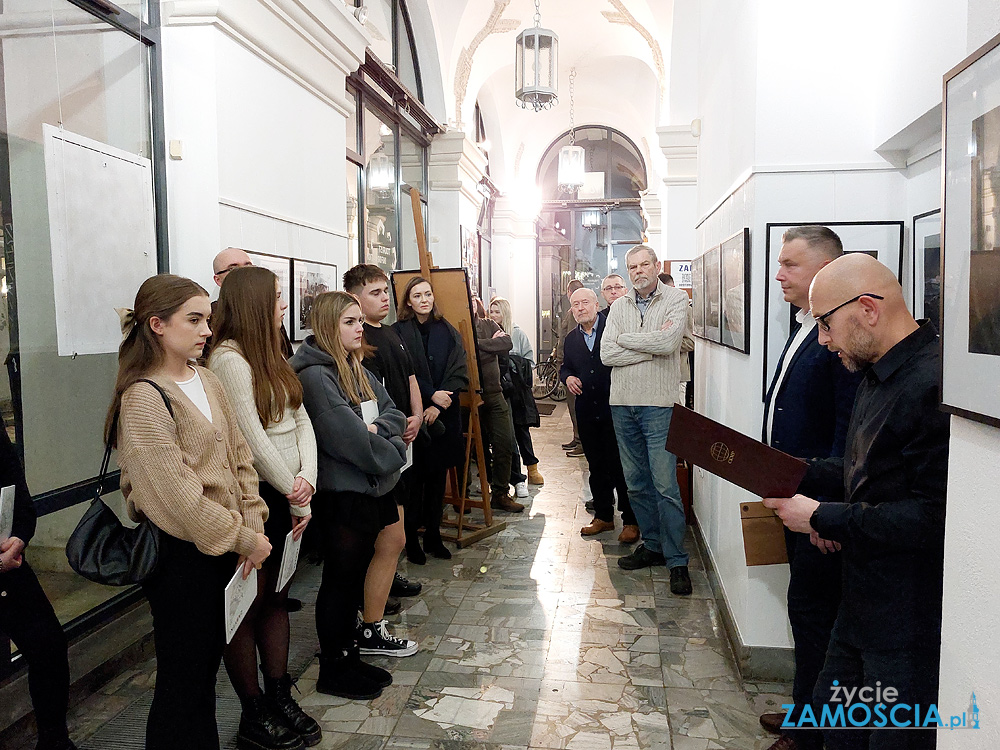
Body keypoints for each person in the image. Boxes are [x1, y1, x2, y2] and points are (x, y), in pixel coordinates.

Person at [764, 254, 950, 750]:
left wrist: (823, 515)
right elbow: (863, 471)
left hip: (905, 621)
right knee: (835, 733)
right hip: (859, 603)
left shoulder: (933, 384)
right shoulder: (874, 372)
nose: (822, 340)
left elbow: (935, 518)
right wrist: (793, 471)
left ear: (867, 309)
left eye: (825, 323)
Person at [110, 274, 272, 750]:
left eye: (208, 319)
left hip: (224, 550)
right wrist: (245, 539)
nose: (206, 330)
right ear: (157, 325)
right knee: (181, 685)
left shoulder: (207, 378)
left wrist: (254, 521)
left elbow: (240, 457)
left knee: (203, 682)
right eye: (194, 320)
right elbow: (176, 499)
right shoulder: (143, 397)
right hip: (182, 560)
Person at [206, 267, 322, 749]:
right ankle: (253, 711)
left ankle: (279, 694)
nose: (283, 305)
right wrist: (290, 488)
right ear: (254, 304)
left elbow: (301, 419)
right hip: (259, 496)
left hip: (292, 491)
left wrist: (308, 480)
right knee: (248, 607)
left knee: (277, 598)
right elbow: (249, 438)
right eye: (276, 298)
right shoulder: (229, 360)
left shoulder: (272, 351)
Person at [758, 227, 862, 750]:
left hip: (818, 503)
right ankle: (806, 707)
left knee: (816, 613)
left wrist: (829, 511)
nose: (779, 274)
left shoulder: (840, 337)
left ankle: (814, 732)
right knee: (805, 609)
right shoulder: (803, 324)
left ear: (826, 268)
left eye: (791, 265)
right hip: (796, 497)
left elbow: (849, 434)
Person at [290, 292, 407, 700]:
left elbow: (392, 409)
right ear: (327, 327)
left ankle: (350, 656)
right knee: (339, 581)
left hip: (369, 486)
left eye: (360, 320)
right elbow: (350, 439)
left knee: (354, 577)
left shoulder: (354, 366)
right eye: (350, 322)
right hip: (344, 492)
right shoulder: (316, 376)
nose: (360, 328)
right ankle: (334, 668)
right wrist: (390, 446)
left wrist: (382, 432)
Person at [600, 245, 693, 595]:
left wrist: (627, 340)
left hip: (658, 404)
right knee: (636, 482)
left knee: (666, 485)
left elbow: (669, 343)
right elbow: (607, 353)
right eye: (632, 267)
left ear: (656, 266)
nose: (639, 271)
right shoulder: (619, 306)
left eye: (644, 265)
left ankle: (677, 560)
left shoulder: (675, 299)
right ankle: (652, 545)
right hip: (622, 404)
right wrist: (648, 347)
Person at [343, 264, 423, 653]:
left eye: (385, 291)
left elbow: (406, 381)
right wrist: (391, 428)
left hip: (397, 438)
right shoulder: (355, 348)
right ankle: (367, 615)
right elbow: (366, 408)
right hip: (375, 449)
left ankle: (375, 606)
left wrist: (417, 415)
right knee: (383, 536)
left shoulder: (391, 333)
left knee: (396, 529)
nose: (384, 298)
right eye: (375, 293)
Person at [0, 429, 75, 750]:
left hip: (7, 565)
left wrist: (19, 535)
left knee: (49, 648)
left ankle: (55, 742)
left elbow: (14, 486)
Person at [392, 278, 469, 562]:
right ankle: (411, 539)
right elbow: (402, 373)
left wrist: (440, 401)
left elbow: (458, 366)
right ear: (408, 301)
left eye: (427, 294)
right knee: (414, 482)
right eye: (417, 295)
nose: (424, 299)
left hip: (444, 414)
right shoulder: (397, 332)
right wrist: (429, 396)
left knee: (437, 479)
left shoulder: (447, 329)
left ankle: (434, 536)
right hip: (414, 415)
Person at [560, 288, 639, 543]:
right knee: (596, 466)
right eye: (575, 304)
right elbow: (566, 367)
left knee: (620, 466)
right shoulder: (571, 339)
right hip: (587, 411)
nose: (580, 308)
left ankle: (630, 520)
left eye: (585, 302)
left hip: (615, 409)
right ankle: (604, 516)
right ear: (571, 310)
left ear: (597, 304)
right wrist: (567, 377)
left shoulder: (613, 329)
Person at [472, 302, 524, 513]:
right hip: (468, 395)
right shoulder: (453, 327)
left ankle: (500, 493)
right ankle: (468, 493)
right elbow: (463, 354)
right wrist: (488, 347)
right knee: (474, 449)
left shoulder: (489, 324)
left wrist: (476, 345)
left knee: (505, 442)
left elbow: (506, 343)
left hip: (495, 393)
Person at [489, 296, 544, 488]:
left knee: (522, 430)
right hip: (499, 391)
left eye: (497, 311)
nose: (494, 315)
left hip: (518, 391)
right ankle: (515, 476)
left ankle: (532, 468)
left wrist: (514, 365)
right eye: (491, 311)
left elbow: (530, 361)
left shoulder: (517, 333)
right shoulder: (488, 334)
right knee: (508, 434)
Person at [556, 279, 585, 455]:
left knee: (576, 407)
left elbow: (572, 339)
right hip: (567, 366)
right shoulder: (570, 312)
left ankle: (582, 442)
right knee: (572, 406)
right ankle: (577, 438)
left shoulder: (575, 314)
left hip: (573, 368)